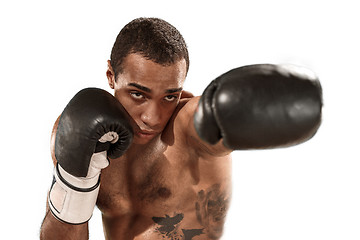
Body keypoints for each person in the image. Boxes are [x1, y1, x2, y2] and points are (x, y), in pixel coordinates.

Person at [40, 17, 323, 239]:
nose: (152, 117)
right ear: (111, 76)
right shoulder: (78, 131)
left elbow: (205, 120)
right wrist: (75, 184)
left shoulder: (189, 127)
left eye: (169, 96)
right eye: (138, 94)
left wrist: (223, 113)